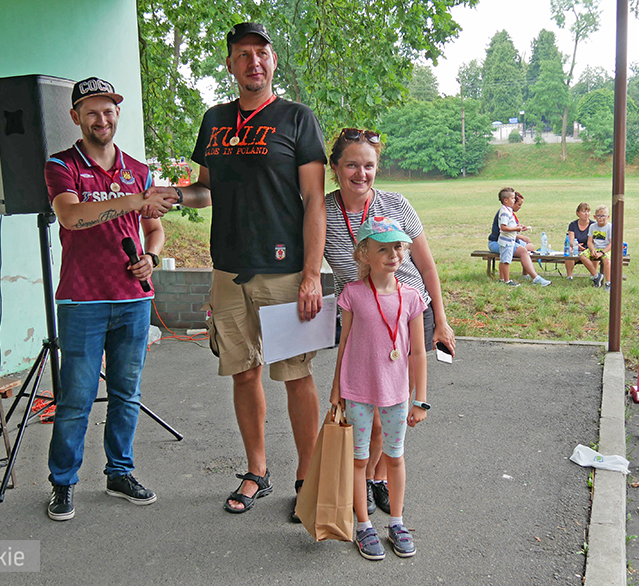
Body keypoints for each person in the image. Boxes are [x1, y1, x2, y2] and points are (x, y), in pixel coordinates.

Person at [146, 22, 327, 517]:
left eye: (262, 52)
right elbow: (206, 190)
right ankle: (257, 471)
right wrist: (176, 195)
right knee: (242, 373)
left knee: (295, 375)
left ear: (273, 62)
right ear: (229, 64)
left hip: (285, 272)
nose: (254, 61)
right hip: (227, 272)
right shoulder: (215, 119)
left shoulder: (296, 118)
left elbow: (314, 201)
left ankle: (307, 479)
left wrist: (311, 275)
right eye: (243, 53)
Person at [43, 77, 174, 521]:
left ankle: (119, 472)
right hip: (82, 300)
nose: (103, 119)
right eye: (93, 111)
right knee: (76, 398)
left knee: (126, 392)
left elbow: (153, 227)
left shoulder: (138, 169)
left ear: (118, 114)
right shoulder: (61, 165)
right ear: (76, 116)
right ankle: (63, 482)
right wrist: (134, 200)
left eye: (110, 110)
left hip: (133, 298)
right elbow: (71, 215)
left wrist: (151, 258)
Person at [323, 128, 454, 516]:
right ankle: (366, 478)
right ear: (335, 168)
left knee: (393, 405)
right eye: (351, 165)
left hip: (407, 310)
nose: (361, 173)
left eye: (369, 165)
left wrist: (442, 320)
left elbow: (426, 265)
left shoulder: (396, 203)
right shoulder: (324, 210)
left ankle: (378, 476)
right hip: (363, 312)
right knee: (368, 406)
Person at [330, 216, 429, 560]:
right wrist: (335, 391)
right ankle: (363, 526)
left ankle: (397, 522)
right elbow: (343, 344)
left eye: (398, 247)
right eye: (382, 248)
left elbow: (418, 352)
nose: (392, 254)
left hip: (397, 395)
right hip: (356, 391)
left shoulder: (413, 297)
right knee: (358, 462)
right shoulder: (352, 295)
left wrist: (422, 401)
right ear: (363, 254)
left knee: (395, 457)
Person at [489, 187, 551, 287]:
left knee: (529, 247)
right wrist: (518, 232)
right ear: (507, 201)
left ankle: (522, 276)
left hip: (509, 240)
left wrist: (519, 227)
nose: (518, 206)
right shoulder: (504, 212)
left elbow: (511, 226)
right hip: (501, 241)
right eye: (516, 202)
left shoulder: (509, 212)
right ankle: (512, 280)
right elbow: (503, 229)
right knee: (512, 257)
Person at [580, 204, 613, 291]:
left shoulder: (610, 227)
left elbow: (611, 244)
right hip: (595, 248)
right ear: (594, 216)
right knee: (582, 255)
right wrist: (592, 250)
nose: (600, 218)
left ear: (608, 217)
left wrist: (602, 253)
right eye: (598, 216)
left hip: (606, 249)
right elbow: (589, 241)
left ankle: (608, 283)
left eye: (603, 216)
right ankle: (596, 276)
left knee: (607, 261)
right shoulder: (592, 226)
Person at [565, 202, 595, 280]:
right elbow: (571, 241)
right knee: (570, 251)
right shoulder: (573, 225)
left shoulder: (593, 225)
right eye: (583, 211)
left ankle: (594, 275)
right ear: (578, 213)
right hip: (576, 248)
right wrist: (577, 246)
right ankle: (569, 275)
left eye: (588, 211)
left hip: (589, 248)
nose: (586, 214)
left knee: (594, 252)